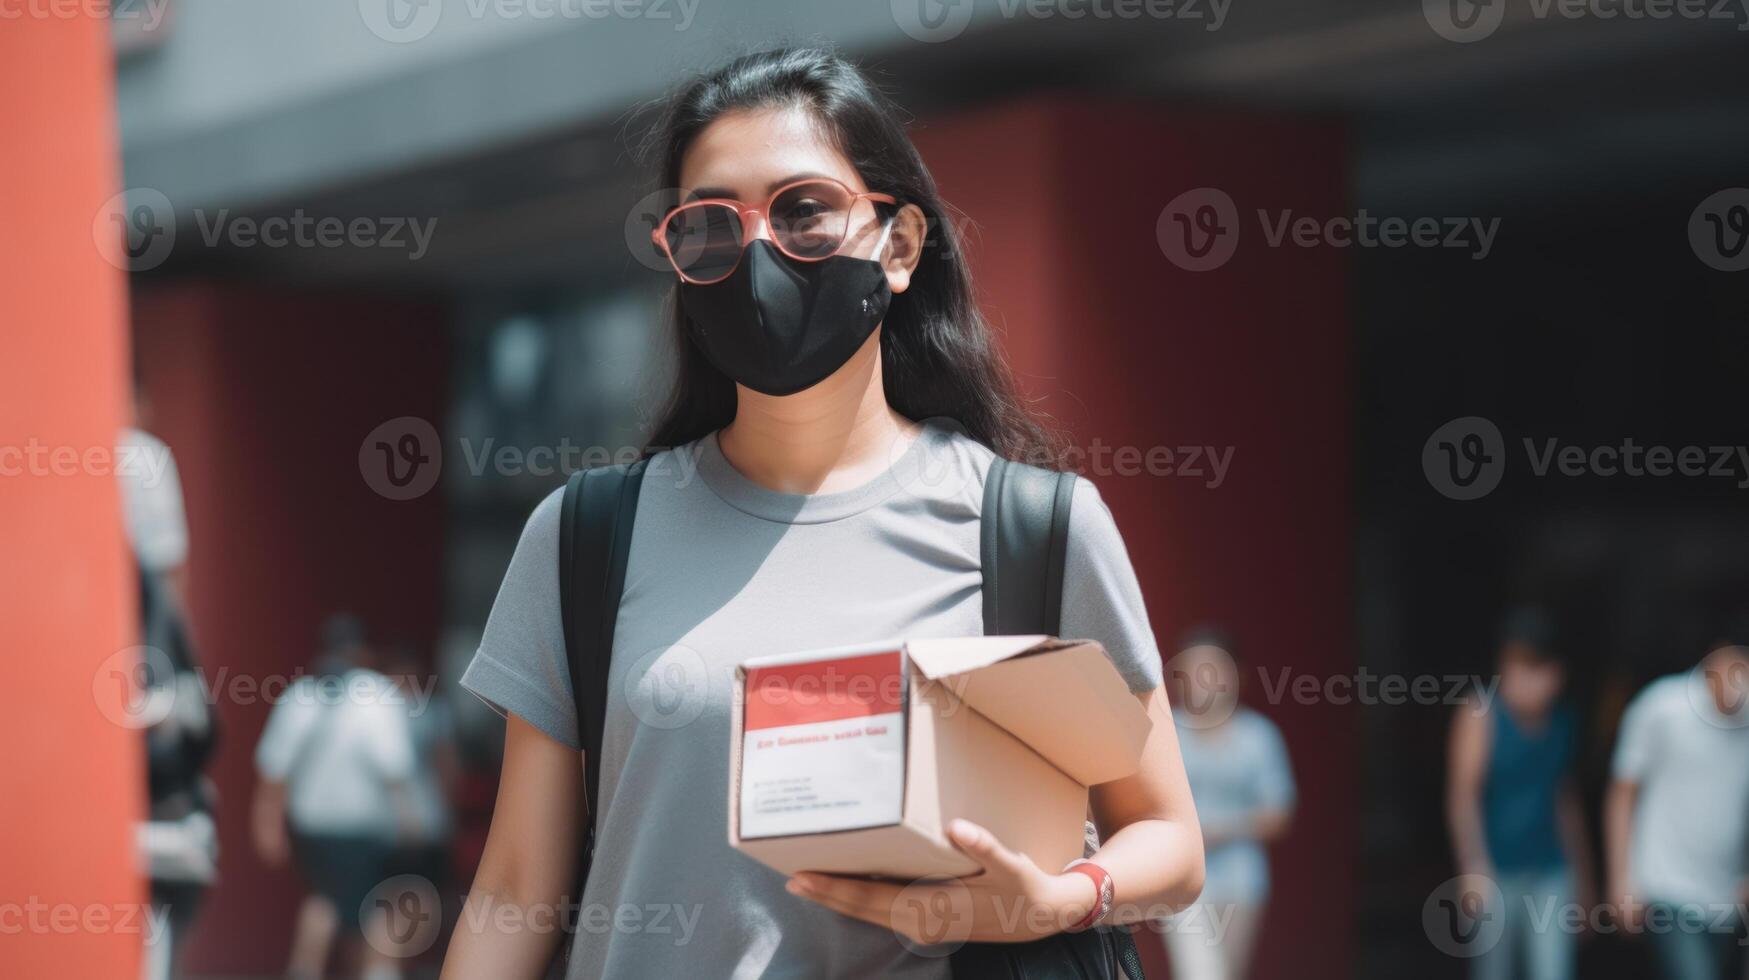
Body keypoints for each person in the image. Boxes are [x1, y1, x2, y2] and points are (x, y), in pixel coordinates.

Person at [441, 47, 1205, 979]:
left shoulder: (1031, 530)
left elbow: (1167, 838)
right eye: (711, 224)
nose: (759, 251)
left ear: (899, 244)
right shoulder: (585, 535)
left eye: (803, 210)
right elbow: (519, 885)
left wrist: (1062, 899)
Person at [253, 616, 421, 980]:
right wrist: (409, 820)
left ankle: (305, 970)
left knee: (325, 900)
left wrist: (268, 823)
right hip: (364, 827)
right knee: (373, 905)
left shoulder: (299, 695)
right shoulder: (378, 696)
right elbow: (395, 769)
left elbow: (273, 770)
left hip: (311, 825)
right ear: (363, 652)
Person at [1445, 607, 1594, 980]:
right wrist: (1473, 867)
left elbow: (1564, 799)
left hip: (1550, 870)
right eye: (1511, 667)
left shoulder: (1563, 721)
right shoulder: (1481, 713)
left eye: (1532, 669)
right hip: (1496, 871)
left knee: (1553, 971)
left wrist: (1584, 876)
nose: (1520, 680)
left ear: (1556, 674)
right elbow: (1463, 795)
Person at [1606, 624, 1749, 980]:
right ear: (1716, 659)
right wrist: (1622, 879)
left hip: (1725, 898)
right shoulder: (1663, 706)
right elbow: (1622, 792)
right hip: (1666, 887)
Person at [1159, 628, 1294, 980]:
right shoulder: (1163, 731)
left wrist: (1223, 829)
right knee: (1199, 972)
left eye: (1213, 668)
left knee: (1229, 972)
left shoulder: (1258, 737)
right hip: (1183, 878)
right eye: (1194, 668)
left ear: (1236, 675)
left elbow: (1279, 814)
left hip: (1241, 878)